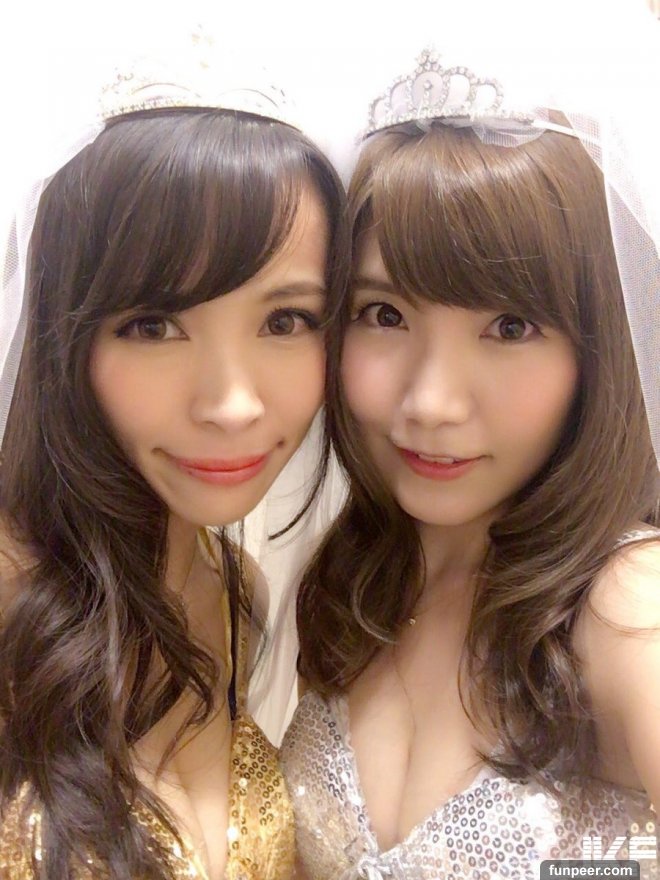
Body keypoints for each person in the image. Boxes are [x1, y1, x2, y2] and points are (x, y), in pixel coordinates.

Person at [280, 23, 660, 880]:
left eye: (509, 327)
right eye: (385, 314)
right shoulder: (359, 583)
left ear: (597, 353)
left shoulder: (625, 607)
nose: (431, 401)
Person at [0, 47, 346, 880]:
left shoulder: (232, 593)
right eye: (154, 325)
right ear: (61, 338)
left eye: (286, 321)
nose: (232, 405)